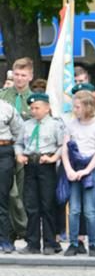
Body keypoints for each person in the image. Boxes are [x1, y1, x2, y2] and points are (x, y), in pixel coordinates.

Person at [14, 93, 63, 255]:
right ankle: (32, 243)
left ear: (47, 108)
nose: (33, 111)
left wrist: (53, 158)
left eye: (37, 108)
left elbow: (62, 145)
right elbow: (19, 143)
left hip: (46, 165)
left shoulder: (55, 125)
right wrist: (19, 155)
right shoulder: (26, 125)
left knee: (47, 205)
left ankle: (50, 243)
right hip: (30, 165)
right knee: (31, 205)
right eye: (32, 108)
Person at [61, 91, 95, 257]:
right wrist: (69, 170)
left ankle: (93, 243)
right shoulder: (71, 124)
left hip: (90, 169)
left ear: (88, 107)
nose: (75, 109)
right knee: (74, 209)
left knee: (89, 210)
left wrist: (87, 170)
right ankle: (73, 243)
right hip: (74, 168)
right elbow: (65, 150)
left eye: (77, 106)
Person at [0, 57, 32, 245]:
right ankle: (17, 229)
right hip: (7, 148)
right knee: (9, 192)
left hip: (28, 151)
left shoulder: (35, 98)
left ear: (30, 76)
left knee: (21, 192)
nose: (19, 79)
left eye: (23, 75)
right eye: (17, 75)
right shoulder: (3, 96)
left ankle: (22, 230)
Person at [0, 90, 23, 253]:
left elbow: (19, 132)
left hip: (3, 152)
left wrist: (16, 152)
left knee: (2, 197)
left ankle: (5, 239)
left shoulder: (6, 108)